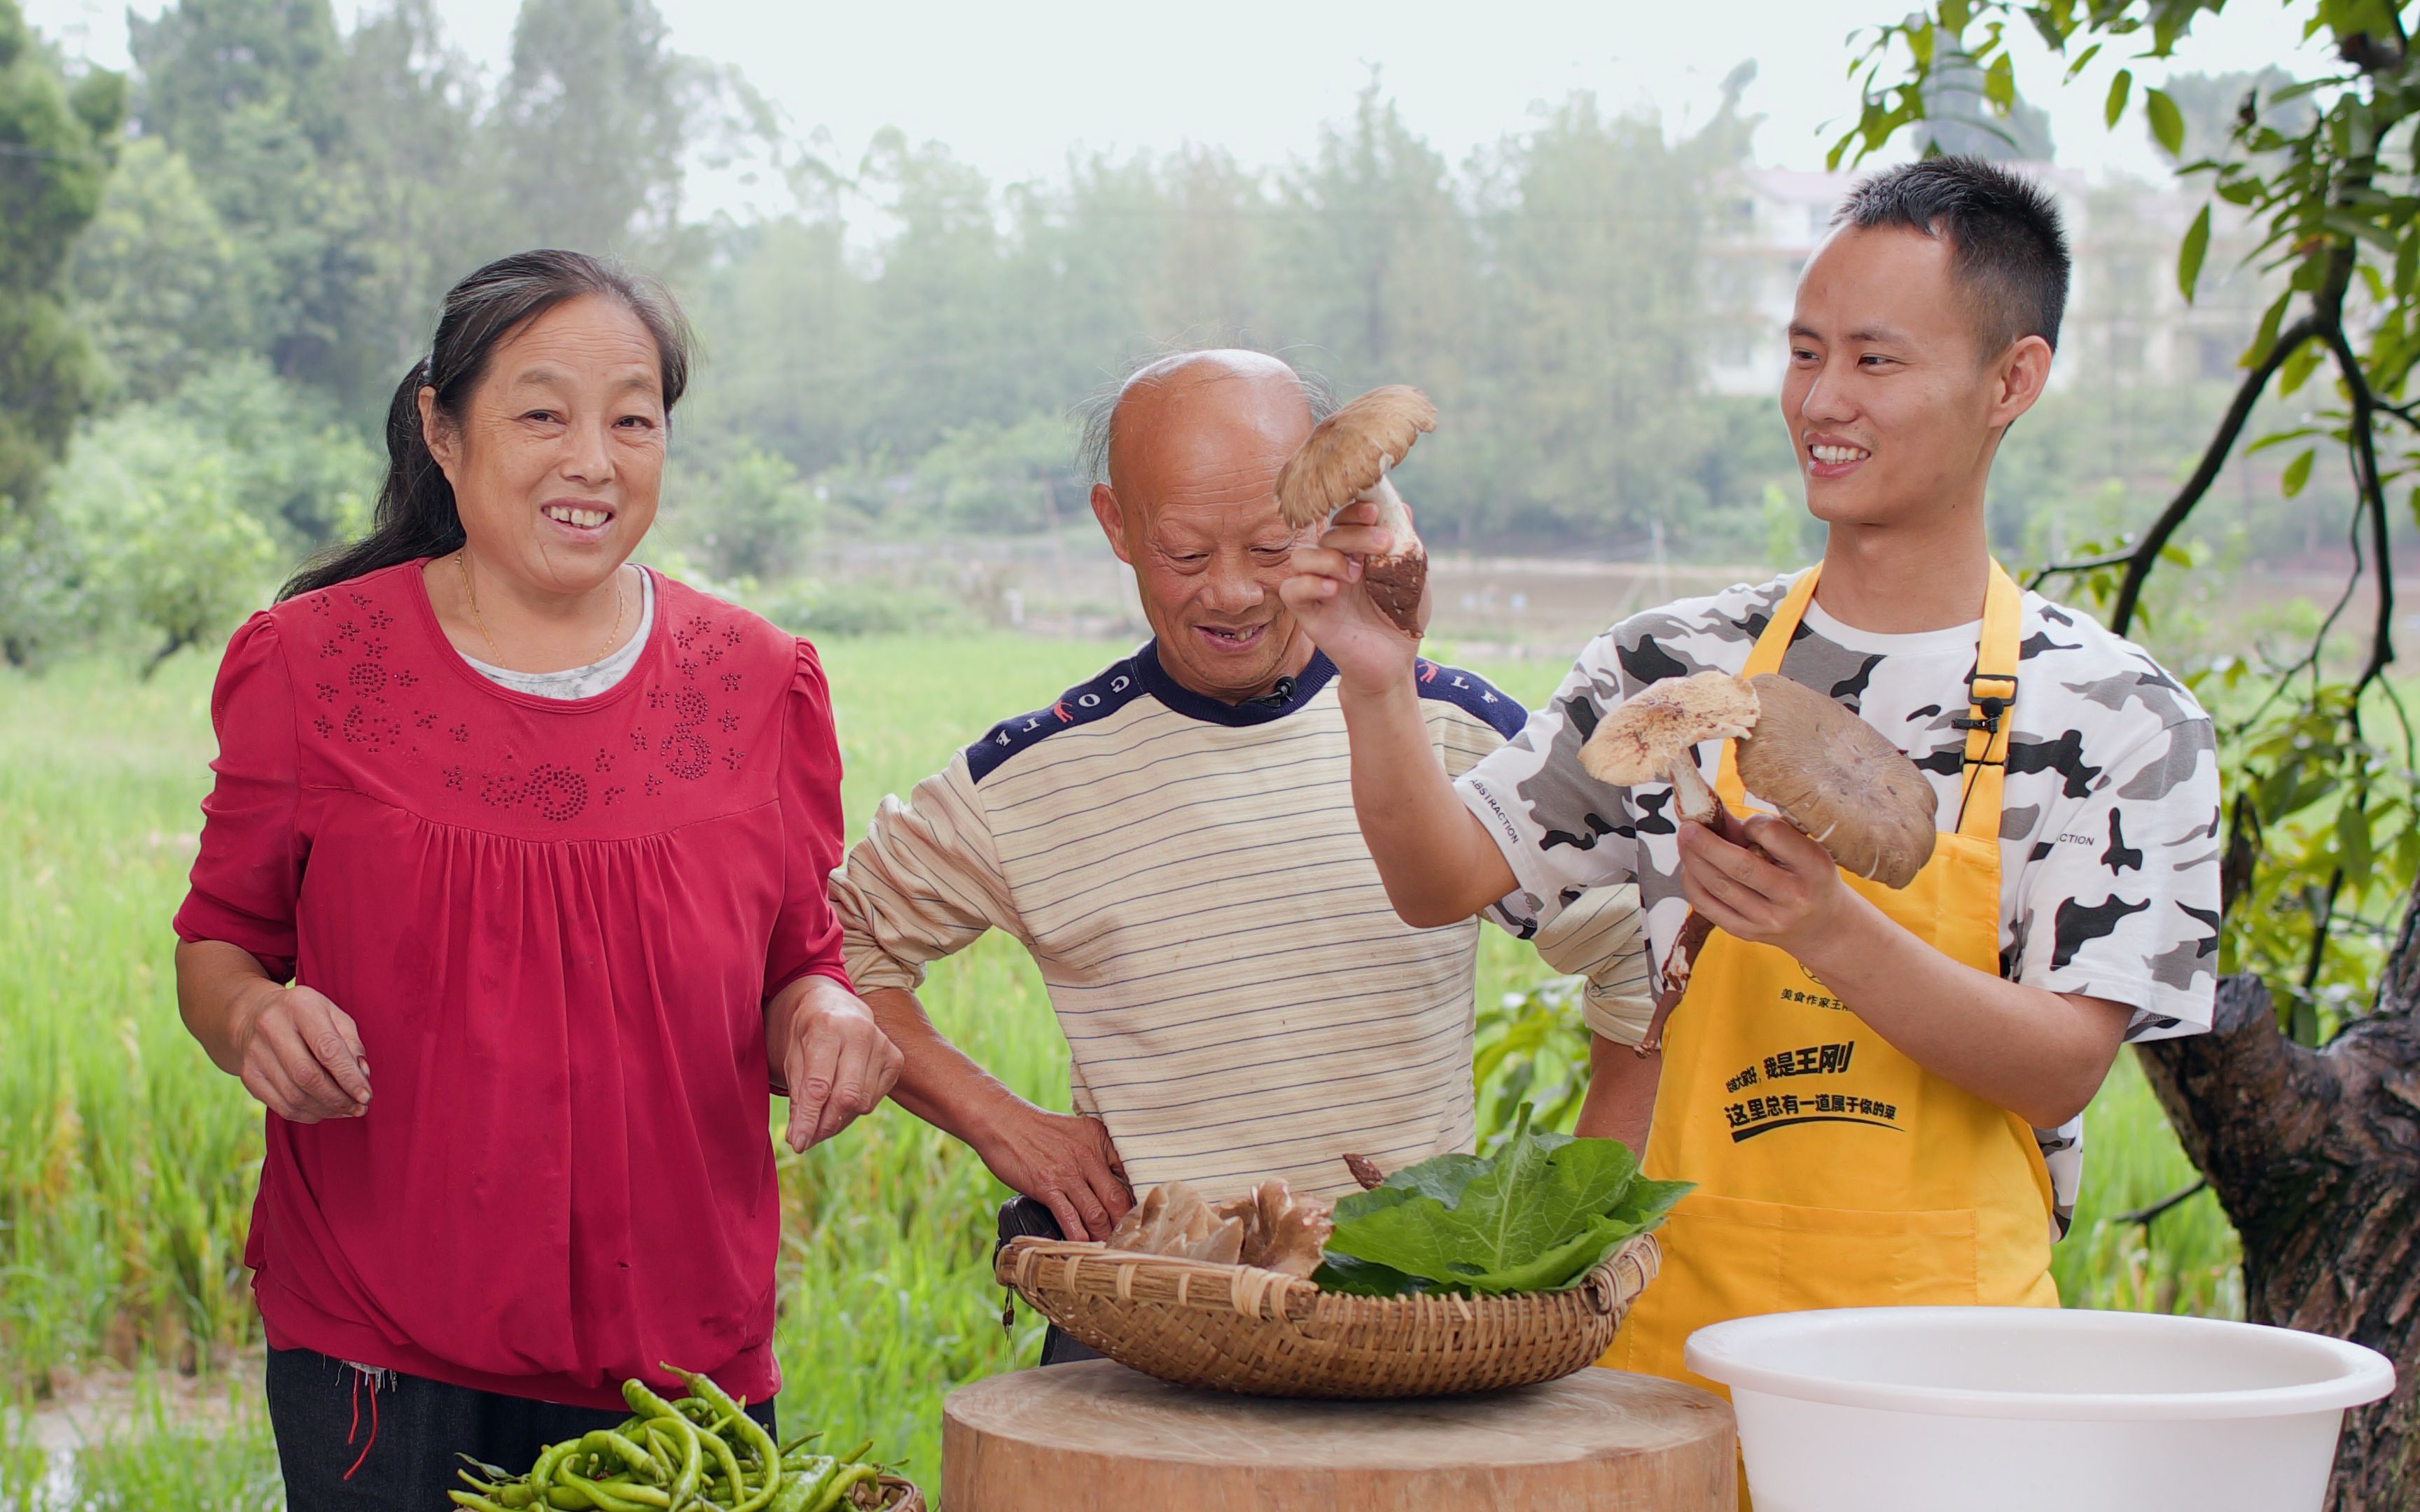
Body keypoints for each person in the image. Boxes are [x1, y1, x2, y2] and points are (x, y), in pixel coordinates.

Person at [1283, 158, 2221, 1396]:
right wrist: (1375, 681)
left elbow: (2061, 1065)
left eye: (1876, 361)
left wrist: (1830, 928)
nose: (1823, 398)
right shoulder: (1672, 666)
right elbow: (1436, 877)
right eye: (1803, 352)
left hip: (1959, 1378)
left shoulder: (2120, 715)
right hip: (1677, 1358)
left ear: (2014, 380)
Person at [172, 249, 901, 1511]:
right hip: (379, 1355)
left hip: (682, 1359)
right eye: (542, 412)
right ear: (440, 430)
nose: (593, 460)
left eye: (633, 419)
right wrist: (251, 1019)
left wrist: (829, 1017)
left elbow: (800, 966)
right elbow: (219, 947)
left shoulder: (759, 682)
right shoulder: (310, 666)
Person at [825, 350, 1648, 1266]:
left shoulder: (1448, 730)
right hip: (1144, 1323)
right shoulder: (1030, 778)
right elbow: (835, 946)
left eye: (1270, 546)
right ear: (1116, 525)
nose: (1232, 592)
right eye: (1185, 552)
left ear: (1337, 518)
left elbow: (1639, 948)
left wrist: (1574, 1230)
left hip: (1409, 1318)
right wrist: (999, 1119)